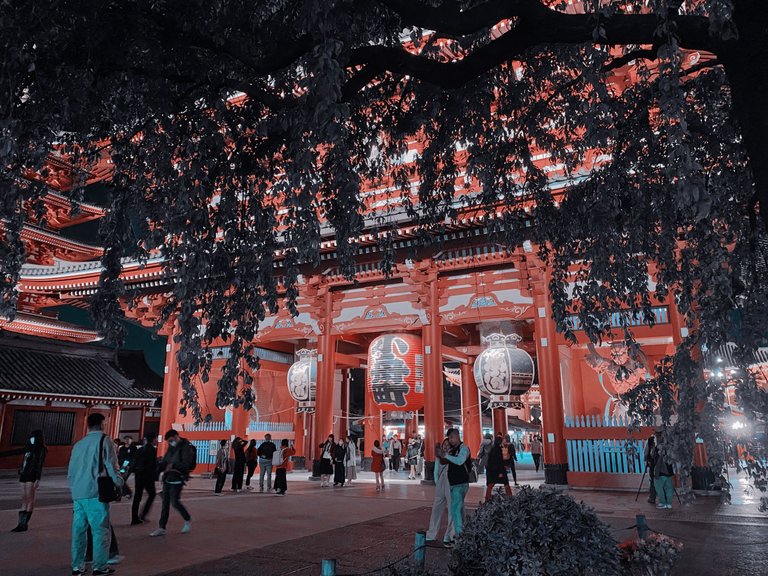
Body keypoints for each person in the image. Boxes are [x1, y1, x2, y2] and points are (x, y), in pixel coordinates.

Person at [68, 412, 123, 576]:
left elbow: (71, 471)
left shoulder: (78, 445)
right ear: (102, 424)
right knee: (100, 531)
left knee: (78, 531)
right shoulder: (105, 441)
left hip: (78, 493)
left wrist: (73, 489)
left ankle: (77, 566)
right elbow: (112, 466)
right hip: (95, 491)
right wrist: (119, 483)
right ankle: (100, 566)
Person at [0, 428, 47, 532]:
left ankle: (24, 523)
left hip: (32, 475)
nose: (32, 439)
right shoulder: (28, 448)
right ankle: (20, 523)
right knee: (24, 498)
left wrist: (37, 478)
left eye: (34, 437)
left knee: (30, 498)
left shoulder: (41, 449)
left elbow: (39, 464)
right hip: (24, 474)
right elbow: (15, 452)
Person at [150, 429, 193, 536]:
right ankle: (162, 527)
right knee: (165, 504)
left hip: (178, 477)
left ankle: (187, 519)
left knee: (174, 502)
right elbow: (166, 460)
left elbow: (186, 463)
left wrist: (173, 465)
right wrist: (160, 467)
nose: (170, 442)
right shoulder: (171, 448)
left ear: (176, 436)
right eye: (169, 441)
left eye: (171, 440)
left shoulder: (186, 447)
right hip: (168, 477)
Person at [438, 428, 471, 544]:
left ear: (457, 436)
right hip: (454, 484)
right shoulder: (453, 450)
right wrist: (442, 455)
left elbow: (460, 461)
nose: (450, 440)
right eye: (449, 438)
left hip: (460, 484)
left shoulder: (464, 449)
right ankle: (461, 534)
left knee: (455, 511)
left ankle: (460, 538)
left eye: (452, 437)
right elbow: (444, 462)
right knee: (458, 510)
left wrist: (445, 455)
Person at [426, 437, 455, 547]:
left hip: (451, 482)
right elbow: (436, 470)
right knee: (436, 508)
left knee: (452, 509)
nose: (446, 447)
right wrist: (437, 482)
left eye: (448, 445)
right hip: (441, 483)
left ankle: (449, 535)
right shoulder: (439, 456)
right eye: (444, 445)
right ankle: (432, 533)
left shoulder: (452, 456)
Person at [130, 432, 157, 524]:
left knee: (137, 496)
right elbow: (152, 464)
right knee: (152, 494)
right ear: (153, 439)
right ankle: (143, 514)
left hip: (138, 475)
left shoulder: (141, 449)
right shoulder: (152, 449)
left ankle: (134, 518)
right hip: (147, 476)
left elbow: (135, 461)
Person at [484, 436, 512, 501]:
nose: (503, 442)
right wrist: (500, 472)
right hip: (497, 470)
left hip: (493, 470)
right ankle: (510, 496)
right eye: (502, 440)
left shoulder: (494, 448)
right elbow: (498, 461)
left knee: (492, 483)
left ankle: (488, 496)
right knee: (505, 483)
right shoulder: (497, 450)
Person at [652, 432, 675, 510]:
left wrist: (656, 473)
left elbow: (658, 462)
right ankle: (669, 503)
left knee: (659, 487)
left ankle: (662, 503)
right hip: (669, 471)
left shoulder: (658, 448)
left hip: (661, 472)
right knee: (669, 488)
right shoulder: (670, 447)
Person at [644, 434, 657, 504]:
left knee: (652, 480)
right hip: (663, 463)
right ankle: (665, 500)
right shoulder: (666, 438)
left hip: (653, 463)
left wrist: (646, 460)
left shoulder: (650, 440)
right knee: (665, 479)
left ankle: (652, 497)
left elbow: (646, 452)